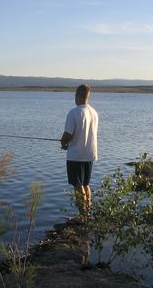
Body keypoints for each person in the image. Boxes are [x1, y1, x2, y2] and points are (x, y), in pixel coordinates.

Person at [60, 84, 99, 216]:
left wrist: (63, 142)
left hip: (76, 155)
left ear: (77, 95)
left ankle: (83, 216)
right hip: (90, 154)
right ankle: (87, 212)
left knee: (78, 185)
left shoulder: (74, 112)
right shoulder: (94, 112)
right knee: (86, 184)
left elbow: (68, 134)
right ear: (88, 96)